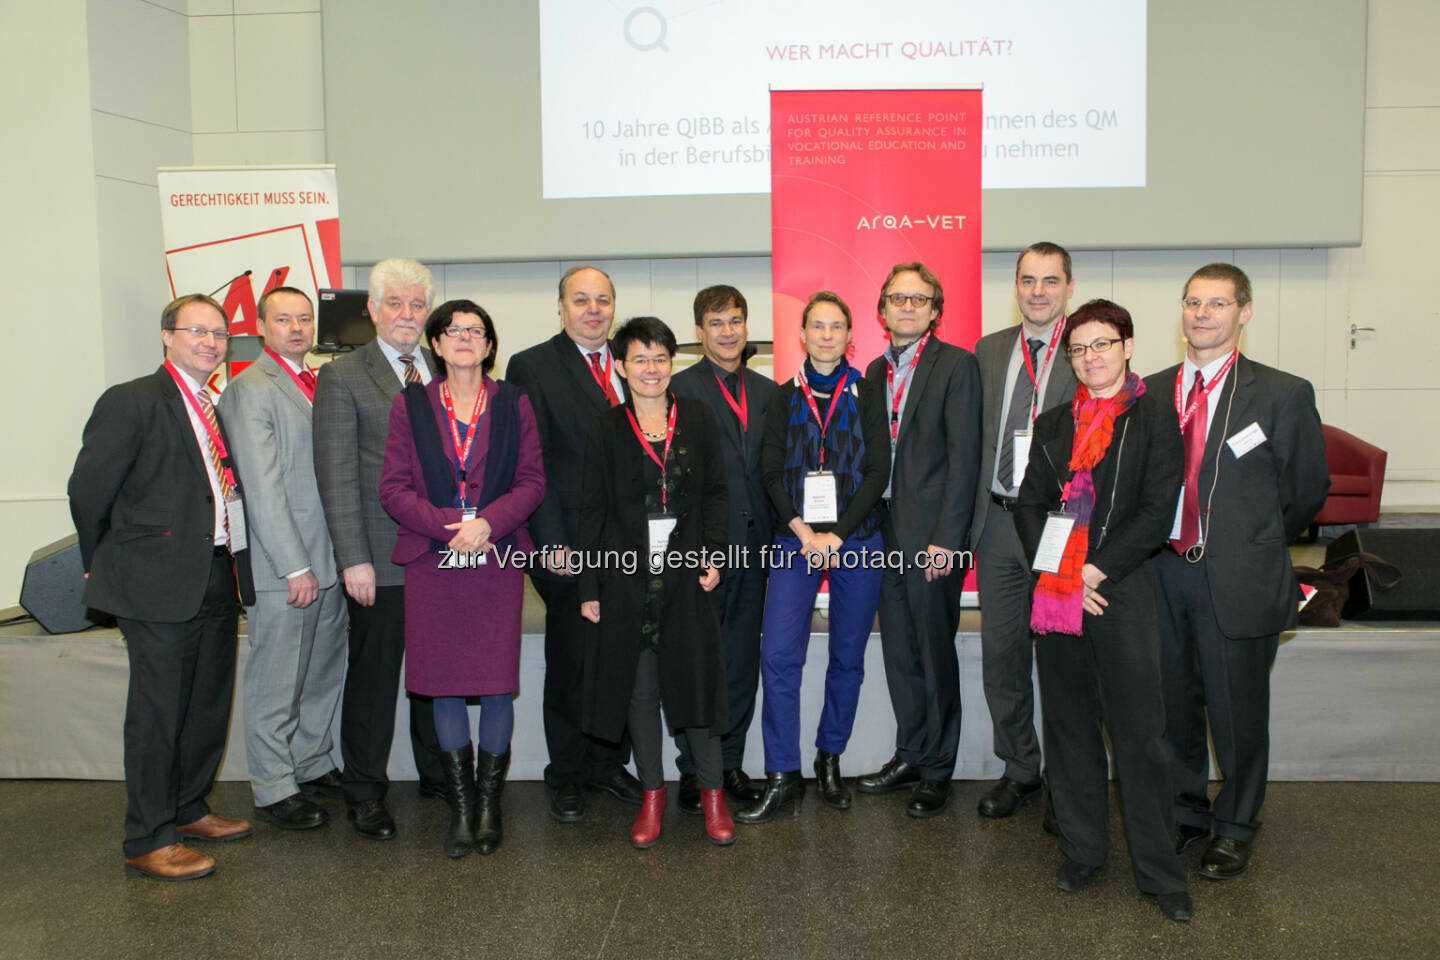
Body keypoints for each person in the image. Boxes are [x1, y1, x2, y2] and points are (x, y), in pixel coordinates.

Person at [1147, 263, 1328, 880]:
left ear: (1243, 312)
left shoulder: (1281, 393)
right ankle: (1187, 812)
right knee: (1172, 707)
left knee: (1237, 712)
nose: (1201, 314)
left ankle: (1236, 826)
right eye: (1193, 302)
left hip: (1237, 576)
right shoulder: (1149, 391)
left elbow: (1305, 491)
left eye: (1217, 304)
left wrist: (1246, 539)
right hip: (1162, 574)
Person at [1014, 298, 1192, 923]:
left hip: (1120, 590)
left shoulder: (1155, 417)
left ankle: (1159, 874)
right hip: (1057, 598)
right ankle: (1083, 851)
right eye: (1080, 348)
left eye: (1102, 345)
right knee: (1068, 730)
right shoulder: (1054, 423)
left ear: (1128, 346)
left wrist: (1093, 569)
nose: (1090, 357)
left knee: (1140, 738)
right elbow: (1031, 504)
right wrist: (1058, 574)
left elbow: (1154, 509)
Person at [69, 294, 257, 881]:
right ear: (166, 336)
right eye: (196, 331)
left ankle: (187, 808)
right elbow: (89, 490)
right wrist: (103, 559)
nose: (210, 342)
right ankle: (147, 837)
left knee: (205, 703)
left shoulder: (214, 405)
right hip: (154, 581)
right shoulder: (131, 400)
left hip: (215, 573)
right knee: (157, 712)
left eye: (219, 334)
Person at [378, 299, 545, 858]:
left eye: (476, 331)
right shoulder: (411, 406)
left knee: (497, 682)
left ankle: (491, 804)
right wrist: (451, 526)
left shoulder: (514, 402)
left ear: (490, 345)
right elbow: (394, 487)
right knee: (445, 683)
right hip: (434, 557)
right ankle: (464, 807)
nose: (465, 339)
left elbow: (531, 481)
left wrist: (489, 524)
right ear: (437, 344)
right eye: (453, 331)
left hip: (495, 558)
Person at [576, 316, 733, 848]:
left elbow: (716, 493)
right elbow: (592, 512)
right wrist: (589, 587)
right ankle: (652, 795)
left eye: (661, 358)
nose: (651, 369)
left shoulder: (698, 416)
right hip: (626, 581)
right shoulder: (605, 427)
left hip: (688, 577)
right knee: (640, 693)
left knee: (697, 687)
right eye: (640, 359)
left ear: (672, 364)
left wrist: (714, 554)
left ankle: (713, 796)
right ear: (620, 366)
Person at [736, 291, 889, 823]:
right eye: (816, 326)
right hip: (794, 540)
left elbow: (878, 473)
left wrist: (839, 535)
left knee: (848, 655)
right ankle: (782, 773)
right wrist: (803, 530)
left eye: (836, 326)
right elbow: (771, 472)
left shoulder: (868, 393)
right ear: (801, 335)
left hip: (858, 539)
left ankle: (829, 758)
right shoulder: (782, 397)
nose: (826, 335)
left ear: (851, 336)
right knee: (778, 655)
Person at [313, 257, 447, 840]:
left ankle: (437, 773)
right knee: (374, 677)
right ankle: (364, 789)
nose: (407, 314)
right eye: (395, 303)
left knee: (434, 670)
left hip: (441, 556)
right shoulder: (343, 377)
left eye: (417, 304)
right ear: (371, 310)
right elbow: (336, 474)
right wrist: (353, 558)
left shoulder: (445, 369)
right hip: (380, 557)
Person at [506, 266, 644, 823]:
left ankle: (608, 764)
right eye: (581, 300)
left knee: (620, 660)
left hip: (629, 544)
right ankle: (565, 773)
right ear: (560, 308)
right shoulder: (533, 366)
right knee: (570, 663)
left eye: (603, 300)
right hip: (565, 541)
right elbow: (529, 461)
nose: (594, 310)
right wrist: (550, 544)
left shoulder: (633, 362)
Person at [219, 287, 347, 831]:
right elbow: (264, 488)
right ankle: (273, 787)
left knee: (321, 672)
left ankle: (312, 762)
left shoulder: (319, 381)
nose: (296, 327)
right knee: (277, 681)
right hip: (287, 565)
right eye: (283, 319)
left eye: (304, 318)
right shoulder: (251, 389)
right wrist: (294, 566)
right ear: (262, 326)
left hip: (334, 558)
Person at [858, 262, 982, 818]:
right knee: (899, 652)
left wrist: (946, 541)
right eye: (897, 298)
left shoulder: (957, 366)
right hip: (882, 531)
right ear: (882, 310)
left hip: (931, 537)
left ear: (935, 310)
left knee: (933, 652)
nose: (907, 307)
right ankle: (910, 752)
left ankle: (938, 769)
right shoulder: (872, 373)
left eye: (919, 299)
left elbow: (965, 462)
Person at [971, 242, 1078, 821]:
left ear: (1067, 287)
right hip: (995, 524)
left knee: (1062, 661)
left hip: (1059, 529)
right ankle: (1020, 769)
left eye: (1050, 281)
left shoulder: (1087, 350)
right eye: (1028, 280)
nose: (1038, 291)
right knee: (1002, 657)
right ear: (1015, 285)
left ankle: (1069, 782)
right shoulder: (989, 351)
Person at [668, 284, 775, 812]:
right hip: (700, 552)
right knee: (696, 660)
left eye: (735, 320)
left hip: (755, 551)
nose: (728, 331)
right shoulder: (677, 389)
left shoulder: (769, 391)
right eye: (716, 323)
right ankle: (692, 769)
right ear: (698, 332)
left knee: (740, 659)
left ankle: (729, 763)